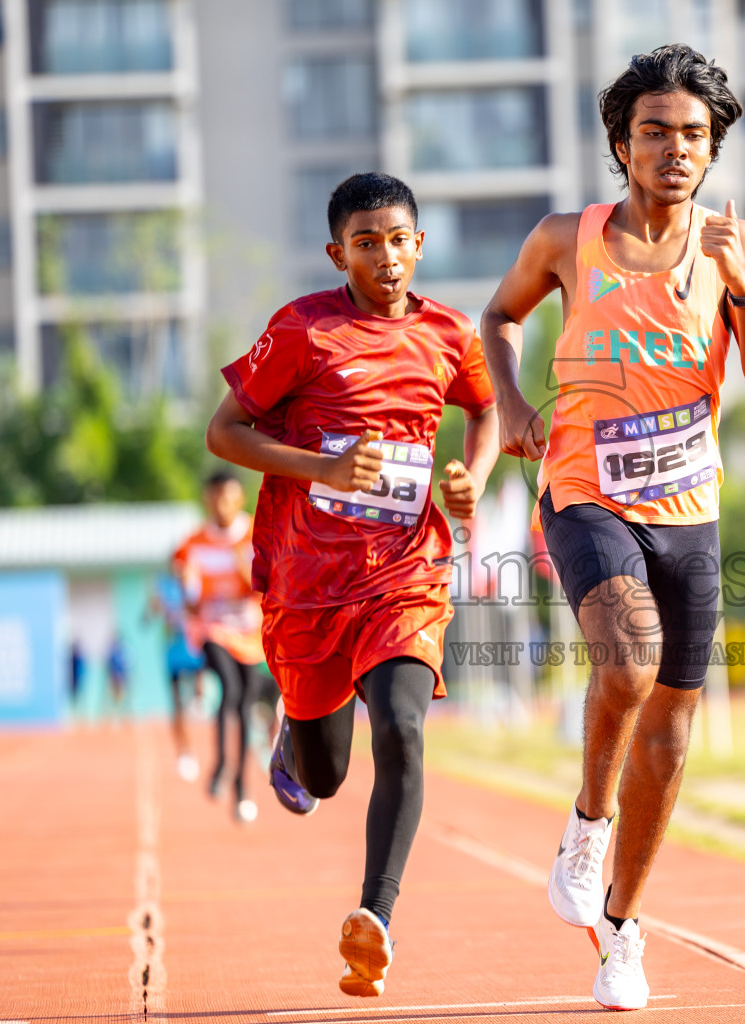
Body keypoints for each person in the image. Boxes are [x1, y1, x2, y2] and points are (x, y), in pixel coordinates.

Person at [480, 44, 745, 1011]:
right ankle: (586, 823)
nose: (673, 149)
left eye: (692, 135)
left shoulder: (735, 248)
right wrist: (515, 407)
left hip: (688, 511)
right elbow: (497, 317)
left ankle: (620, 929)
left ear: (712, 150)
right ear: (622, 143)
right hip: (584, 490)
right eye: (653, 132)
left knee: (674, 728)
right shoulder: (565, 238)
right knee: (627, 665)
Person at [205, 172, 498, 998]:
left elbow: (484, 410)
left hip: (404, 572)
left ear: (420, 244)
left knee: (402, 726)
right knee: (327, 776)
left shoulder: (448, 331)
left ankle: (375, 918)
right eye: (366, 243)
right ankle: (294, 744)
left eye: (399, 239)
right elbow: (223, 432)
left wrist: (471, 476)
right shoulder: (301, 330)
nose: (387, 256)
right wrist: (323, 466)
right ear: (339, 253)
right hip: (308, 580)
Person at [172, 470, 267, 824]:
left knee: (244, 702)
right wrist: (187, 589)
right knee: (229, 688)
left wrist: (249, 575)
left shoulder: (257, 533)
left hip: (250, 633)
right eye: (214, 497)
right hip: (212, 630)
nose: (221, 505)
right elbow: (190, 600)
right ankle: (222, 765)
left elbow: (270, 585)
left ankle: (242, 787)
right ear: (206, 499)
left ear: (239, 499)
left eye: (228, 497)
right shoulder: (193, 543)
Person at [147, 572, 207, 781]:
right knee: (177, 705)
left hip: (194, 649)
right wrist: (156, 605)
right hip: (173, 652)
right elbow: (148, 617)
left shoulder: (197, 583)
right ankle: (184, 752)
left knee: (200, 686)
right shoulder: (164, 586)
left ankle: (200, 699)